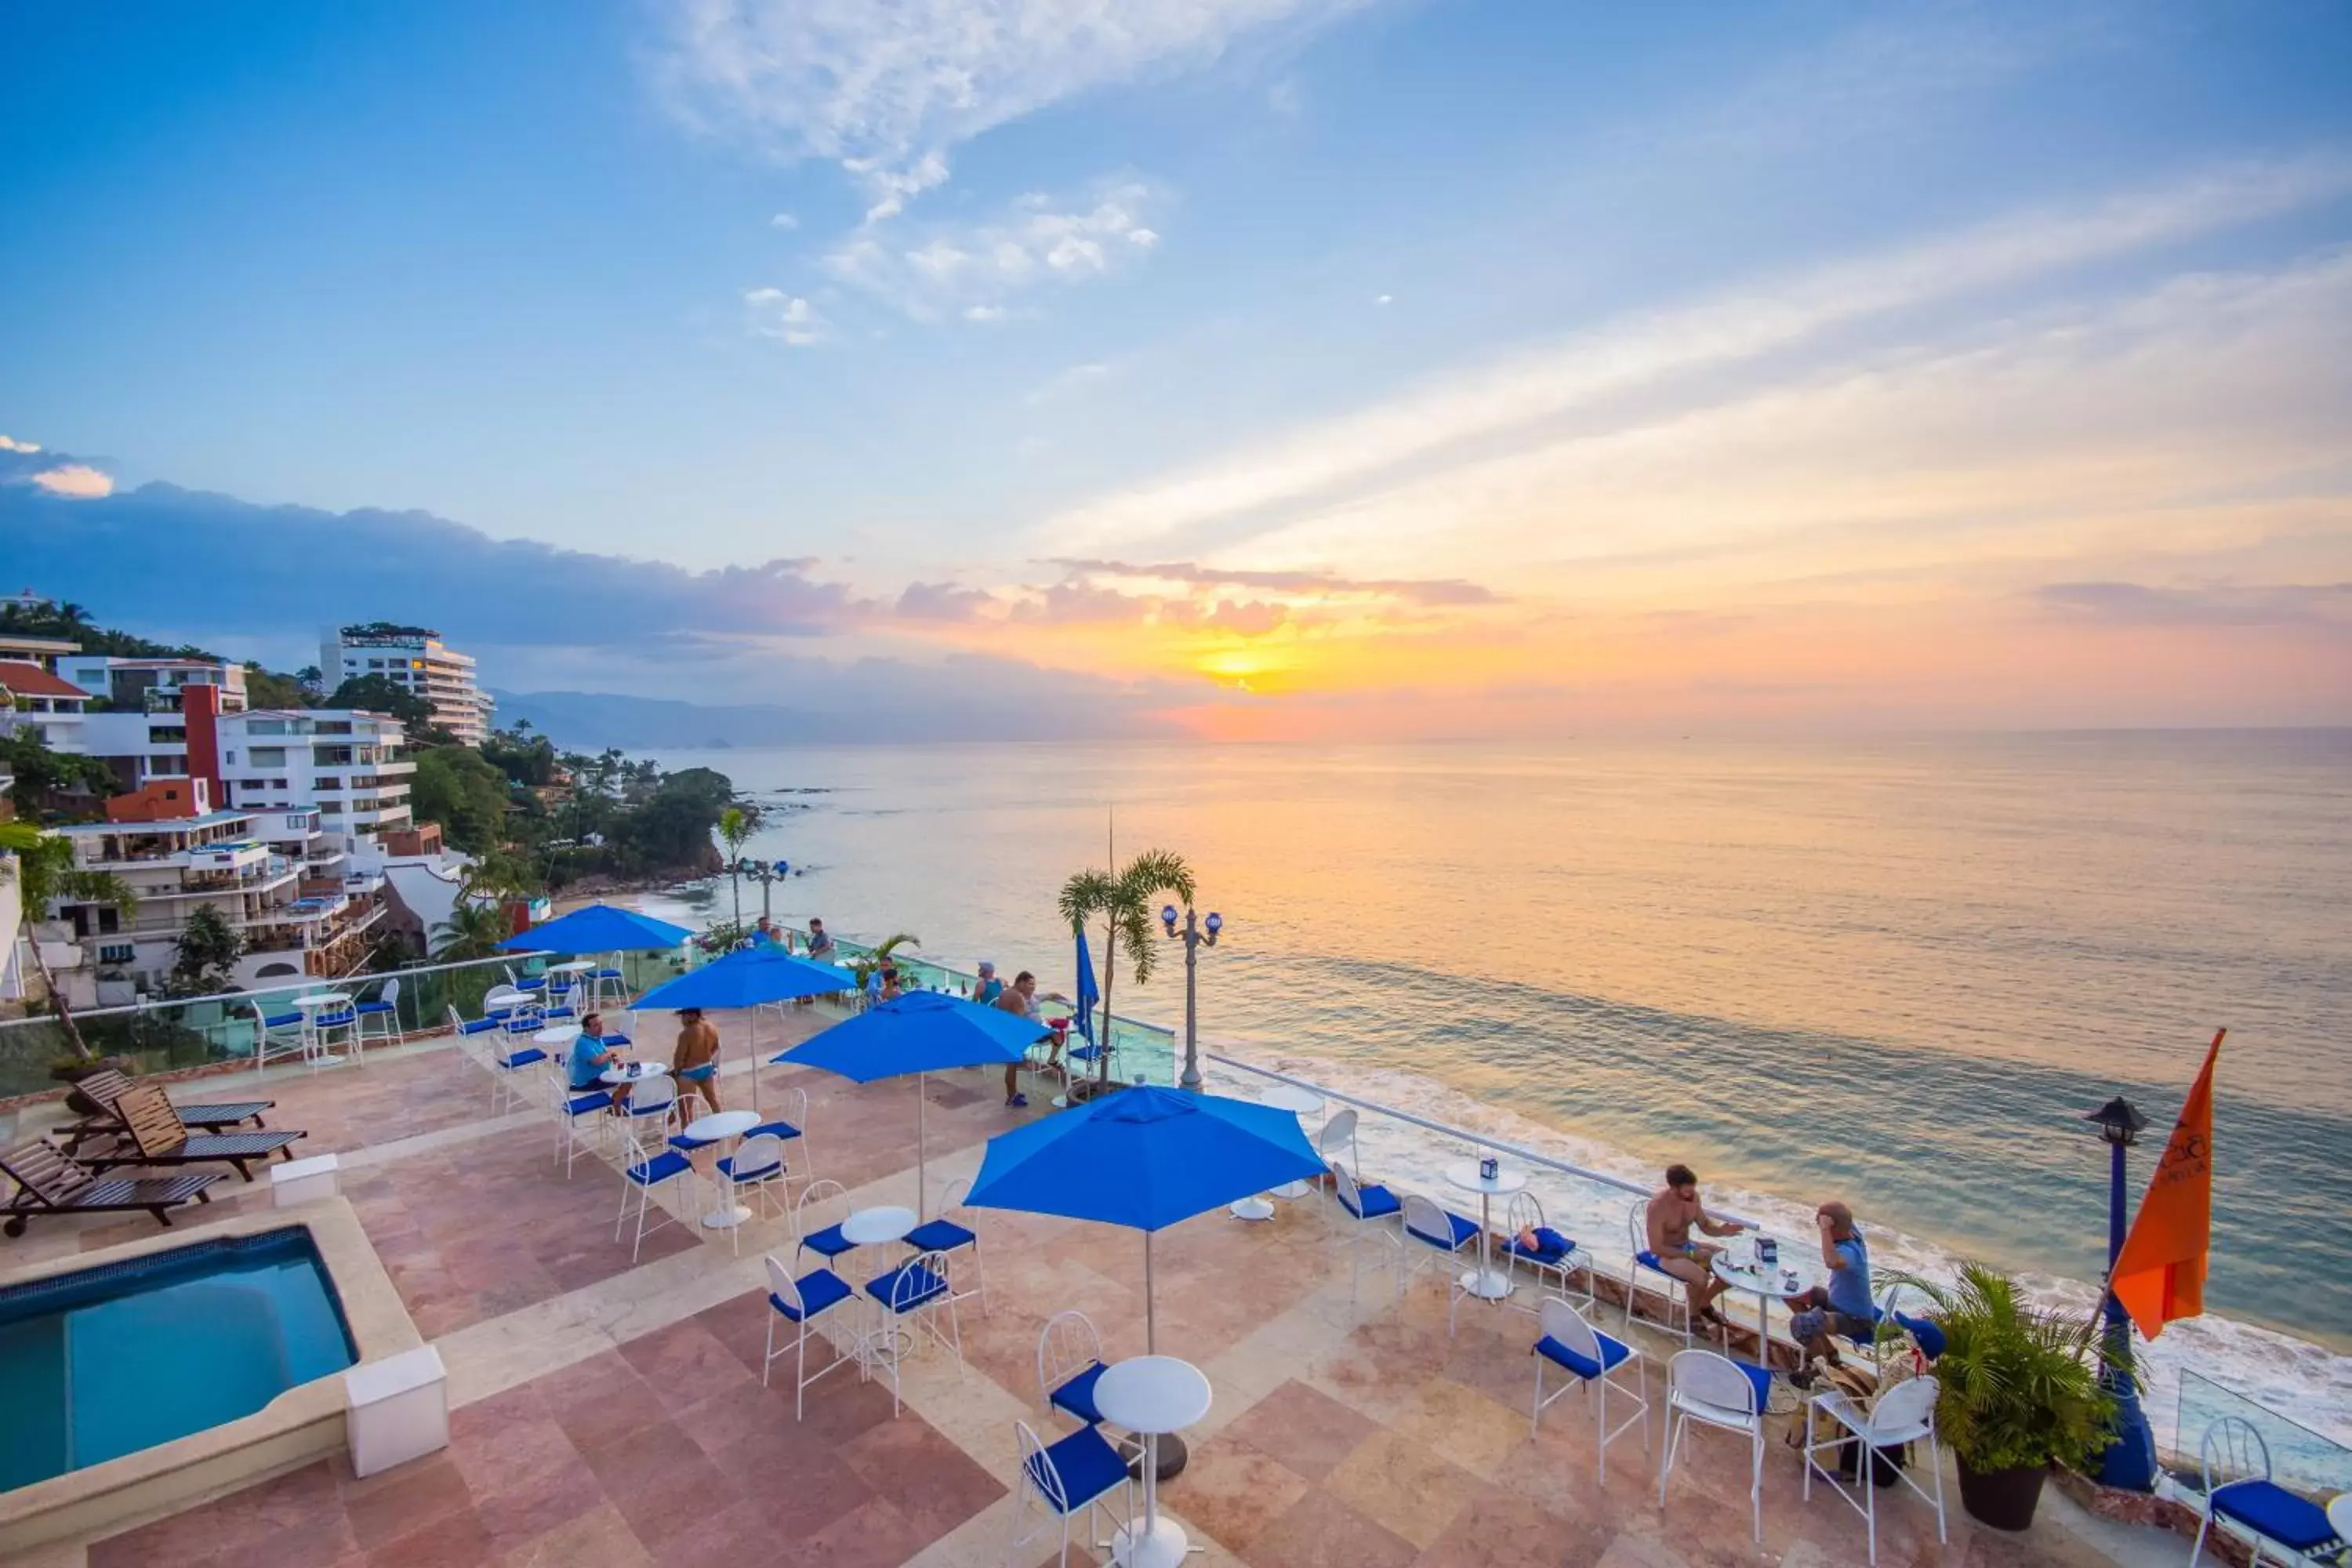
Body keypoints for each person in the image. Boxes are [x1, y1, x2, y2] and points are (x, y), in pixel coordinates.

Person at [1646, 1163, 1747, 1330]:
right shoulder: (1657, 1207)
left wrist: (1722, 1230)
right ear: (1673, 1188)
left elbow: (1706, 1226)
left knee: (1731, 1264)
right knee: (1701, 1277)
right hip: (1665, 1254)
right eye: (1686, 1191)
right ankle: (1693, 1315)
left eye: (1692, 1189)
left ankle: (1704, 1304)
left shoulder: (1693, 1198)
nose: (1691, 1194)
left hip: (1687, 1246)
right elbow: (1656, 1248)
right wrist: (1693, 1255)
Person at [1784, 1201, 1875, 1385]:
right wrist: (1828, 1218)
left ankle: (1821, 1369)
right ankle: (1829, 1352)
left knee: (1801, 1325)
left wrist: (1825, 1229)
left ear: (1832, 1226)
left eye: (1820, 1222)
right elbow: (1842, 1215)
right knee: (1791, 1292)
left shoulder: (1850, 1251)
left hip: (1854, 1319)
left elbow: (1831, 1262)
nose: (1817, 1223)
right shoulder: (1852, 1233)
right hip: (1836, 1302)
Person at [994, 969, 1039, 1108]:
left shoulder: (1005, 993)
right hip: (1012, 1035)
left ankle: (1012, 1093)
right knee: (1012, 1067)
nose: (1032, 988)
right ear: (1021, 982)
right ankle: (1012, 1096)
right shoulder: (1018, 997)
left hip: (1003, 1032)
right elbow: (1020, 1022)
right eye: (1030, 984)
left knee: (1011, 1067)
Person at [569, 1012, 630, 1110]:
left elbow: (604, 1055)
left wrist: (614, 1058)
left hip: (601, 1076)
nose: (601, 1027)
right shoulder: (582, 1043)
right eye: (596, 1025)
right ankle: (616, 1107)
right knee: (628, 1080)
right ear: (586, 1029)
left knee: (629, 1076)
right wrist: (610, 1054)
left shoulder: (596, 1038)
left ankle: (616, 1103)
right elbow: (597, 1061)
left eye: (601, 1024)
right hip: (589, 1082)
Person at [672, 1007, 721, 1115]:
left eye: (683, 1016)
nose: (682, 1020)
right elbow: (716, 1047)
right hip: (707, 1067)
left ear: (692, 1015)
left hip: (689, 1072)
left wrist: (676, 1072)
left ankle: (685, 1130)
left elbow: (679, 1057)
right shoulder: (711, 1027)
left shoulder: (686, 1034)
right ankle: (723, 1124)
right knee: (712, 1100)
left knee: (685, 1108)